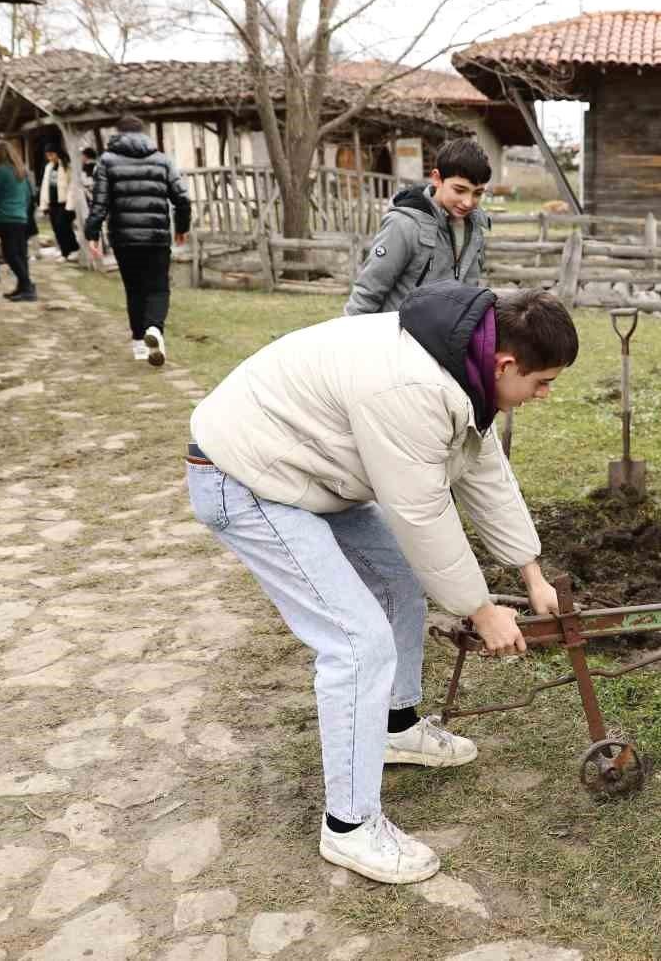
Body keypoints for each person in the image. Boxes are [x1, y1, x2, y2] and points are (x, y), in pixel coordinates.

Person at [185, 280, 576, 883]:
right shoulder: (410, 387)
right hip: (247, 475)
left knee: (396, 583)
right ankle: (350, 826)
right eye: (542, 382)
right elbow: (421, 513)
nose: (546, 395)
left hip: (310, 468)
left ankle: (395, 726)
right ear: (505, 363)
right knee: (356, 641)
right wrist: (480, 610)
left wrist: (531, 572)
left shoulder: (465, 371)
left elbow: (483, 469)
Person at [85, 115, 192, 365]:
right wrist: (182, 227)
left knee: (134, 290)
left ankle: (138, 344)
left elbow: (99, 203)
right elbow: (182, 199)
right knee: (157, 287)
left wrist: (92, 235)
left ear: (118, 133)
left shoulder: (107, 161)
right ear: (144, 133)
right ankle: (154, 328)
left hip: (124, 239)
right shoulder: (162, 159)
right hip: (157, 236)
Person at [344, 137, 491, 315]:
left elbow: (470, 291)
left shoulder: (475, 230)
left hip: (445, 339)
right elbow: (368, 292)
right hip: (397, 337)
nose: (468, 202)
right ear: (437, 178)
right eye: (459, 190)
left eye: (477, 193)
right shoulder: (404, 225)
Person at [0, 140, 37, 303]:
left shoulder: (0, 171)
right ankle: (22, 287)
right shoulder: (21, 171)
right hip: (21, 217)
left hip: (6, 217)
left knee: (10, 254)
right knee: (20, 254)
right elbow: (29, 195)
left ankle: (28, 287)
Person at [38, 146, 80, 261]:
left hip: (64, 202)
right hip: (52, 202)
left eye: (51, 154)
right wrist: (44, 204)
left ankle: (74, 249)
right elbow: (45, 186)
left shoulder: (67, 165)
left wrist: (70, 204)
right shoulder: (48, 167)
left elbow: (72, 185)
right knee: (56, 228)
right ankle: (64, 252)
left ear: (57, 153)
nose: (49, 157)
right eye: (47, 155)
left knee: (64, 227)